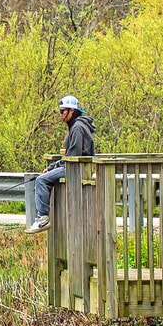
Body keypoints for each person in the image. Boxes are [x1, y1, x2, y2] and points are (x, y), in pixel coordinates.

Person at [26, 95, 96, 234]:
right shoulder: (78, 126)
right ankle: (42, 217)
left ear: (72, 111)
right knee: (44, 178)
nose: (60, 115)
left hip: (75, 169)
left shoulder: (77, 128)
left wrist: (53, 167)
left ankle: (43, 219)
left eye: (63, 111)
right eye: (60, 111)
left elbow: (72, 156)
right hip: (75, 167)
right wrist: (52, 167)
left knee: (41, 180)